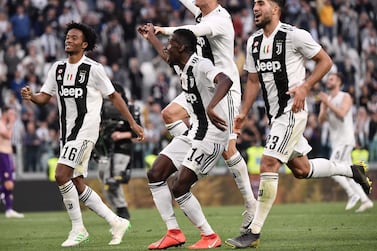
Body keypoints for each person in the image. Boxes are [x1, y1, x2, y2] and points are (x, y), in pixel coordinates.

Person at [225, 0, 372, 248]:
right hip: (275, 117)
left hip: (293, 111)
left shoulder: (295, 36)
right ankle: (352, 170)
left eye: (261, 3)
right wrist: (243, 112)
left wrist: (305, 86)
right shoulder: (254, 42)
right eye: (253, 4)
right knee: (302, 170)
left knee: (268, 162)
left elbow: (325, 61)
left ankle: (254, 232)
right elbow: (252, 81)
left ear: (276, 8)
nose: (255, 8)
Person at [21, 22, 144, 247]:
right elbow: (44, 97)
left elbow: (115, 96)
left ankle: (78, 229)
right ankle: (116, 221)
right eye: (68, 37)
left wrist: (133, 123)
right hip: (67, 134)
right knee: (76, 181)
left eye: (74, 38)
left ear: (84, 44)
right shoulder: (57, 68)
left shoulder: (93, 68)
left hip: (85, 132)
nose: (69, 40)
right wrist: (31, 96)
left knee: (61, 175)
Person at [154, 0, 257, 234]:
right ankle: (196, 149)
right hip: (201, 85)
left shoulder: (219, 19)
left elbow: (193, 31)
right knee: (169, 114)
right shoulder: (202, 11)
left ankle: (251, 203)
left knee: (228, 148)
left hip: (224, 88)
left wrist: (162, 30)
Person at [138, 25, 232, 249]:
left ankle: (209, 236)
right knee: (155, 173)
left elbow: (225, 80)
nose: (167, 49)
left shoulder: (201, 64)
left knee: (180, 187)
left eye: (171, 44)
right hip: (195, 131)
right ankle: (173, 232)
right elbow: (164, 55)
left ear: (181, 47)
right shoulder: (181, 64)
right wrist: (151, 37)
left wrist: (211, 106)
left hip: (212, 135)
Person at [318, 73, 374, 212]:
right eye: (328, 79)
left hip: (345, 140)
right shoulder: (327, 99)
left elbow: (342, 113)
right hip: (335, 141)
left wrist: (328, 103)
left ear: (339, 82)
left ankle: (352, 194)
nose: (328, 81)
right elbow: (321, 120)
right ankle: (366, 200)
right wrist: (324, 106)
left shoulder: (345, 96)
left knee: (333, 169)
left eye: (331, 79)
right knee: (349, 173)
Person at [96, 82, 140, 220]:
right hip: (105, 149)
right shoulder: (103, 108)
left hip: (122, 149)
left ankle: (122, 209)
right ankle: (118, 208)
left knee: (112, 180)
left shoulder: (130, 109)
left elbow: (138, 133)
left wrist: (121, 135)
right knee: (104, 182)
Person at [0, 106, 25, 218]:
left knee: (10, 184)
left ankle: (9, 210)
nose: (12, 116)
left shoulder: (6, 125)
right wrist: (12, 123)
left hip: (8, 156)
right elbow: (7, 135)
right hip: (2, 155)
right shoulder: (1, 123)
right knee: (8, 184)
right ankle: (9, 210)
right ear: (5, 113)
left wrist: (11, 160)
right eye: (11, 113)